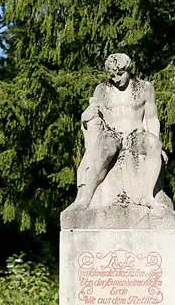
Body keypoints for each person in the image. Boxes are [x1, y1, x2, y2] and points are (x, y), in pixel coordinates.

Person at [70, 53, 164, 211]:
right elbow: (93, 117)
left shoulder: (145, 88)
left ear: (128, 69)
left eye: (119, 74)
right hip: (111, 133)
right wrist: (86, 115)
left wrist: (155, 138)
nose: (116, 79)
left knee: (154, 145)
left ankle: (147, 196)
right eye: (112, 75)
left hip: (136, 134)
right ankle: (86, 198)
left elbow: (152, 118)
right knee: (104, 150)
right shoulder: (101, 90)